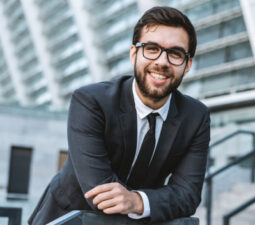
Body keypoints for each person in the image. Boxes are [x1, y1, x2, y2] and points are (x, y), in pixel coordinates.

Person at [28, 6, 210, 225]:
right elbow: (100, 193)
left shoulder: (196, 117)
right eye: (152, 48)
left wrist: (137, 201)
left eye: (175, 53)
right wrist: (149, 202)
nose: (162, 61)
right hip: (69, 217)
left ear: (187, 64)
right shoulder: (91, 101)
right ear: (134, 54)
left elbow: (188, 196)